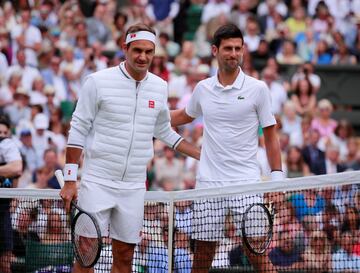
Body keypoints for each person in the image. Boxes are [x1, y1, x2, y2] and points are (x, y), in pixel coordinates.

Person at [59, 23, 200, 273]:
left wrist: (202, 155)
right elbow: (78, 129)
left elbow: (163, 129)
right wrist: (70, 180)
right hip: (97, 181)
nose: (142, 56)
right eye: (137, 50)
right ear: (125, 48)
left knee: (125, 257)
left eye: (148, 51)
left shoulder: (160, 86)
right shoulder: (97, 81)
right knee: (86, 255)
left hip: (134, 185)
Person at [170, 23, 283, 273]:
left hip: (247, 182)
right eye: (228, 48)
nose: (233, 53)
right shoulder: (203, 89)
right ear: (214, 50)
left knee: (256, 253)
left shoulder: (258, 89)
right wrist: (146, 115)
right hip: (209, 182)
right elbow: (182, 116)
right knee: (203, 254)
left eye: (238, 48)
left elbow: (271, 135)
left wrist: (278, 180)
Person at [0, 115, 23, 273]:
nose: (1, 135)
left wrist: (13, 197)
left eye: (4, 132)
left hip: (2, 210)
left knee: (5, 262)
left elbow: (16, 169)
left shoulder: (7, 145)